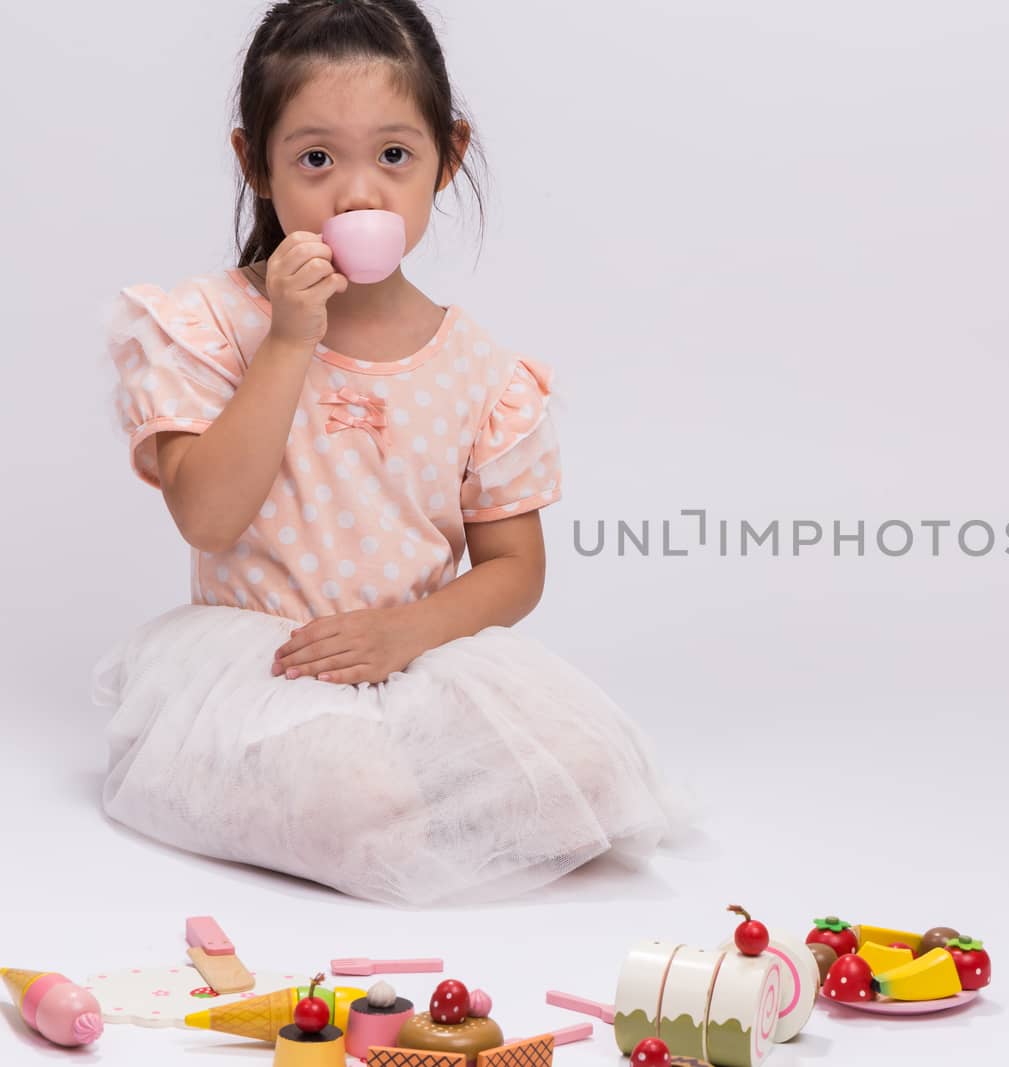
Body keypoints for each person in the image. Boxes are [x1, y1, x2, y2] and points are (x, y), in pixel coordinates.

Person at [92, 0, 693, 906]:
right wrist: (291, 341)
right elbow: (207, 514)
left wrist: (400, 636)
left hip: (415, 654)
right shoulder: (210, 325)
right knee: (353, 795)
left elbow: (515, 567)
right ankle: (385, 807)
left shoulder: (482, 371)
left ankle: (408, 799)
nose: (358, 193)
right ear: (255, 162)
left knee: (593, 774)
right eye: (316, 159)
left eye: (395, 156)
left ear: (447, 158)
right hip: (267, 661)